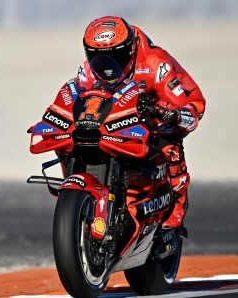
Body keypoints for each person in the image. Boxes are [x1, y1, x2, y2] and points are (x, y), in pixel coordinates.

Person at [75, 16, 206, 235]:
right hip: (122, 112)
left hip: (176, 106)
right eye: (98, 57)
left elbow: (188, 114)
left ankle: (174, 213)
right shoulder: (88, 69)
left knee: (167, 143)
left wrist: (162, 112)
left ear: (130, 50)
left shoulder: (156, 64)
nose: (107, 67)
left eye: (114, 57)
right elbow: (79, 98)